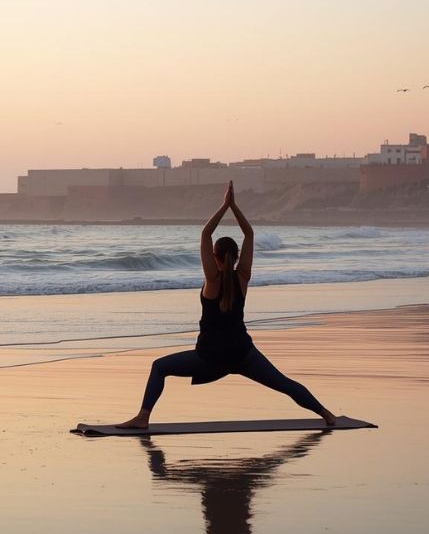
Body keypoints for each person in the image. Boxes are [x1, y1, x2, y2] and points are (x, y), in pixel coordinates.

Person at [116, 181, 337, 429]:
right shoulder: (242, 278)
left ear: (215, 257)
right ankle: (327, 414)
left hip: (210, 357)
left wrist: (224, 206)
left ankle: (143, 417)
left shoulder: (212, 280)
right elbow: (249, 234)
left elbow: (204, 234)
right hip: (242, 354)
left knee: (159, 367)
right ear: (235, 256)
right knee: (283, 383)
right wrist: (234, 207)